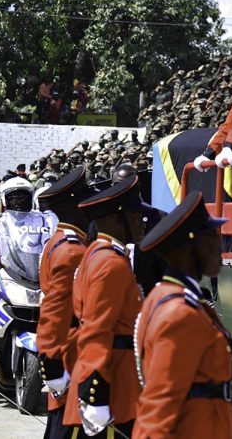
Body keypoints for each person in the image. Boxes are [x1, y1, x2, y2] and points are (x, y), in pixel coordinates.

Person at [132, 191, 232, 439]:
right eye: (212, 237)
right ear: (188, 249)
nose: (220, 246)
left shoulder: (168, 295)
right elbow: (159, 410)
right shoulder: (180, 314)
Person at [63, 175, 147, 438]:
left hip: (113, 378)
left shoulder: (98, 254)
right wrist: (95, 395)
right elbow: (97, 331)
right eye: (135, 215)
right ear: (114, 219)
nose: (142, 221)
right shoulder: (111, 263)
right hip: (111, 388)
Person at [36, 167, 93, 439]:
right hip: (70, 354)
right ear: (75, 205)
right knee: (67, 428)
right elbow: (55, 314)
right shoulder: (72, 251)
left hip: (68, 350)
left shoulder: (60, 241)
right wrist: (53, 365)